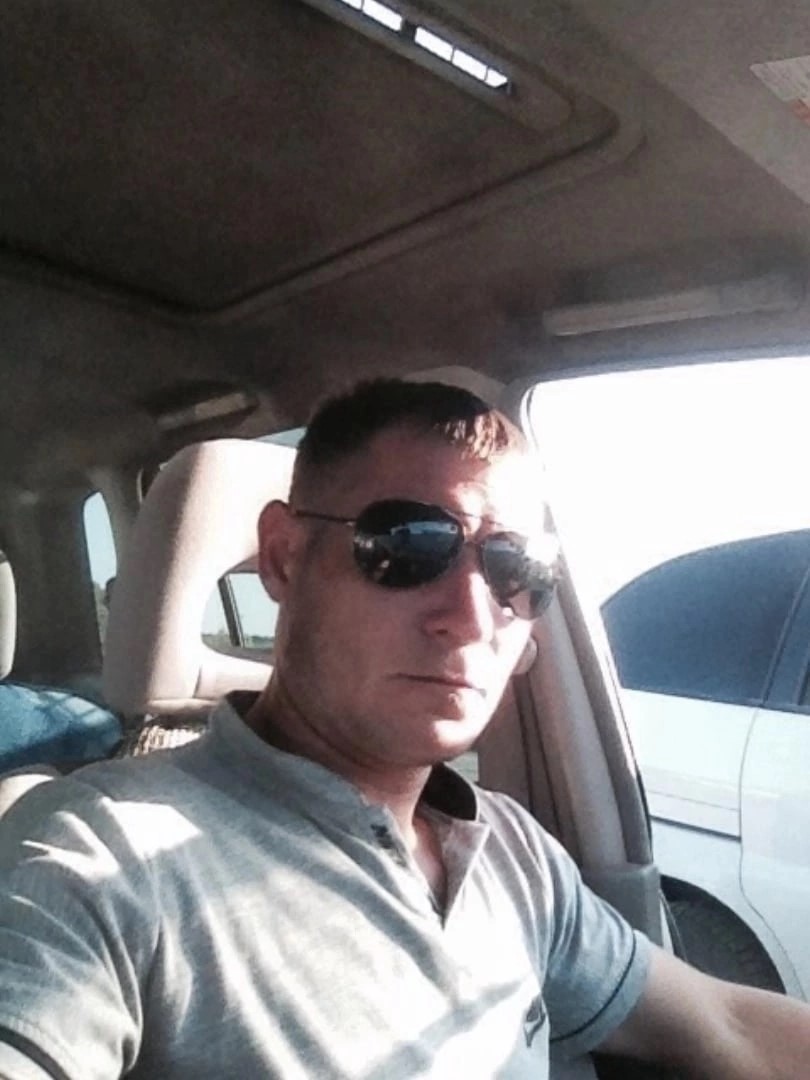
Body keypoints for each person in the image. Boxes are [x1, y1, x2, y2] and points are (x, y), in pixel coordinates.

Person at [0, 378, 808, 1080]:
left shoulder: (513, 854)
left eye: (516, 568)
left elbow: (726, 1024)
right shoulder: (98, 858)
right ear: (283, 558)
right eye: (409, 544)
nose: (471, 616)